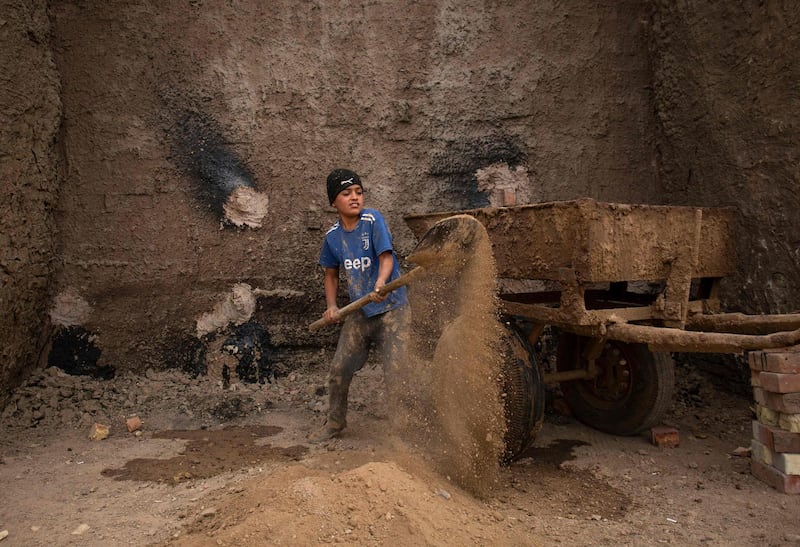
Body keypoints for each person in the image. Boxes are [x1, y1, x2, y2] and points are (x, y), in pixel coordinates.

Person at [308, 168, 411, 443]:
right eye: (346, 193)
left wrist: (380, 283)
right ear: (334, 202)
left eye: (358, 192)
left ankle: (403, 430)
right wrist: (331, 306)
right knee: (340, 369)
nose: (355, 198)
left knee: (398, 370)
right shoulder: (332, 237)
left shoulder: (372, 220)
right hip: (360, 312)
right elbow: (331, 274)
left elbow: (386, 258)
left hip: (392, 309)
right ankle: (334, 423)